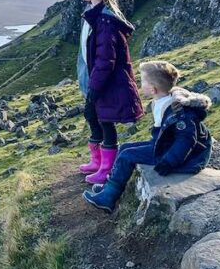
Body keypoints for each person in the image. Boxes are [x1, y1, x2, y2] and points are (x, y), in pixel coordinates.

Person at [83, 60, 213, 214]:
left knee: (127, 155)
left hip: (182, 156)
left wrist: (169, 162)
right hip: (164, 144)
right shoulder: (162, 100)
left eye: (143, 80)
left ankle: (108, 198)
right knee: (125, 147)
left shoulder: (178, 112)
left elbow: (186, 139)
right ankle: (109, 186)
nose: (140, 83)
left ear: (153, 89)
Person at [76, 0, 144, 185]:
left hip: (107, 84)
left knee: (106, 123)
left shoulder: (105, 21)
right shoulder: (96, 17)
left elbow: (106, 61)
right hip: (98, 83)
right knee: (94, 118)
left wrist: (94, 91)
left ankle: (106, 169)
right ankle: (97, 162)